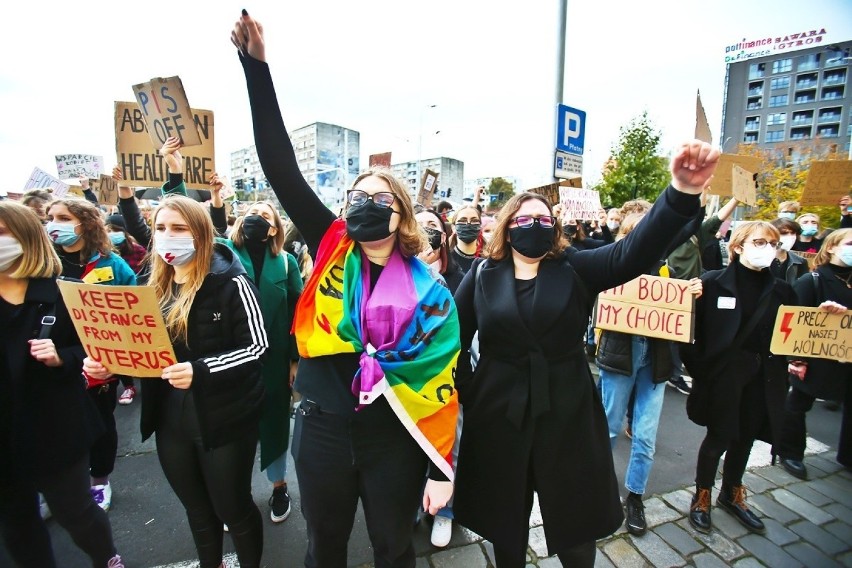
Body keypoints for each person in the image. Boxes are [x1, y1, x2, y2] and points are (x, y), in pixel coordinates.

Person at [234, 12, 460, 567]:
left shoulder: (431, 291)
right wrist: (256, 71)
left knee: (392, 548)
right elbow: (281, 166)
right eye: (357, 196)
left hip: (394, 440)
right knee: (324, 547)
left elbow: (444, 383)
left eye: (380, 198)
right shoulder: (331, 247)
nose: (366, 204)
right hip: (324, 428)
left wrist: (440, 468)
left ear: (401, 213)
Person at [451, 141, 716, 567]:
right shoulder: (484, 274)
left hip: (568, 411)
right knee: (506, 527)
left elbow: (634, 252)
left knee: (576, 529)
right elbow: (454, 341)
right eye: (523, 218)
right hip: (500, 414)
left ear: (553, 225)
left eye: (542, 217)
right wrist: (471, 390)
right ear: (507, 225)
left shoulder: (575, 266)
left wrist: (680, 192)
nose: (532, 224)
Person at [84, 195, 268, 568]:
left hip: (224, 417)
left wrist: (201, 370)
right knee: (198, 510)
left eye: (179, 228)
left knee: (232, 507)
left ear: (200, 234)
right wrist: (111, 367)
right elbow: (133, 346)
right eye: (161, 229)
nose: (168, 237)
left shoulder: (232, 281)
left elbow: (258, 346)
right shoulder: (146, 284)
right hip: (169, 419)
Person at [0, 201, 124, 567]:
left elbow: (95, 345)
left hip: (55, 427)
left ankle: (107, 557)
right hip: (5, 434)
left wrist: (63, 357)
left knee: (76, 512)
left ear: (25, 239)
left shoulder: (63, 293)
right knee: (17, 522)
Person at [681, 222, 797, 535]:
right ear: (738, 246)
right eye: (759, 242)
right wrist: (701, 370)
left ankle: (732, 493)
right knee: (719, 436)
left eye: (772, 243)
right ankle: (702, 495)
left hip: (764, 378)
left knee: (745, 436)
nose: (768, 249)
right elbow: (688, 332)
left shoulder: (782, 289)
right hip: (724, 377)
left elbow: (799, 330)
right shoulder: (712, 283)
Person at [596, 212, 703, 536]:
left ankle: (636, 496)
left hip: (655, 362)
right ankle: (599, 490)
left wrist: (689, 294)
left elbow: (674, 311)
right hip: (620, 359)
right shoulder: (611, 268)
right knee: (609, 428)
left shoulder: (665, 271)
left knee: (644, 435)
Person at [209, 182, 305, 524]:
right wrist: (216, 200)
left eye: (265, 215)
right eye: (251, 213)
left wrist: (295, 360)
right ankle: (236, 495)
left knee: (275, 423)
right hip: (231, 357)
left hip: (274, 359)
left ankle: (279, 487)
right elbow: (199, 229)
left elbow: (299, 309)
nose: (257, 218)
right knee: (234, 426)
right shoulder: (222, 253)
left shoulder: (287, 262)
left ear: (275, 228)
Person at [45, 196, 137, 512]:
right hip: (54, 360)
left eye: (63, 217)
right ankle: (56, 482)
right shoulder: (41, 264)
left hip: (100, 363)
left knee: (100, 425)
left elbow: (134, 310)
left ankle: (99, 481)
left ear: (85, 224)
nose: (53, 224)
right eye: (51, 217)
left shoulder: (112, 265)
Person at [777, 228, 852, 479]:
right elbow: (794, 323)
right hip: (817, 357)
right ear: (831, 247)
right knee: (798, 403)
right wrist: (796, 360)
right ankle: (790, 452)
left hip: (847, 357)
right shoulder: (812, 281)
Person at [104, 213, 149, 406]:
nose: (111, 233)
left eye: (115, 230)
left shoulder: (138, 250)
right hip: (108, 310)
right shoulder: (104, 254)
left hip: (132, 307)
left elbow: (146, 276)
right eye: (108, 230)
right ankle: (128, 384)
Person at [769, 218, 809, 285]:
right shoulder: (759, 259)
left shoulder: (800, 262)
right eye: (784, 233)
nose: (790, 236)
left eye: (793, 233)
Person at [449, 205, 484, 274]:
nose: (468, 224)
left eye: (474, 221)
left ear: (480, 226)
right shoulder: (446, 260)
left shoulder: (489, 260)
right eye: (462, 221)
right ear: (453, 227)